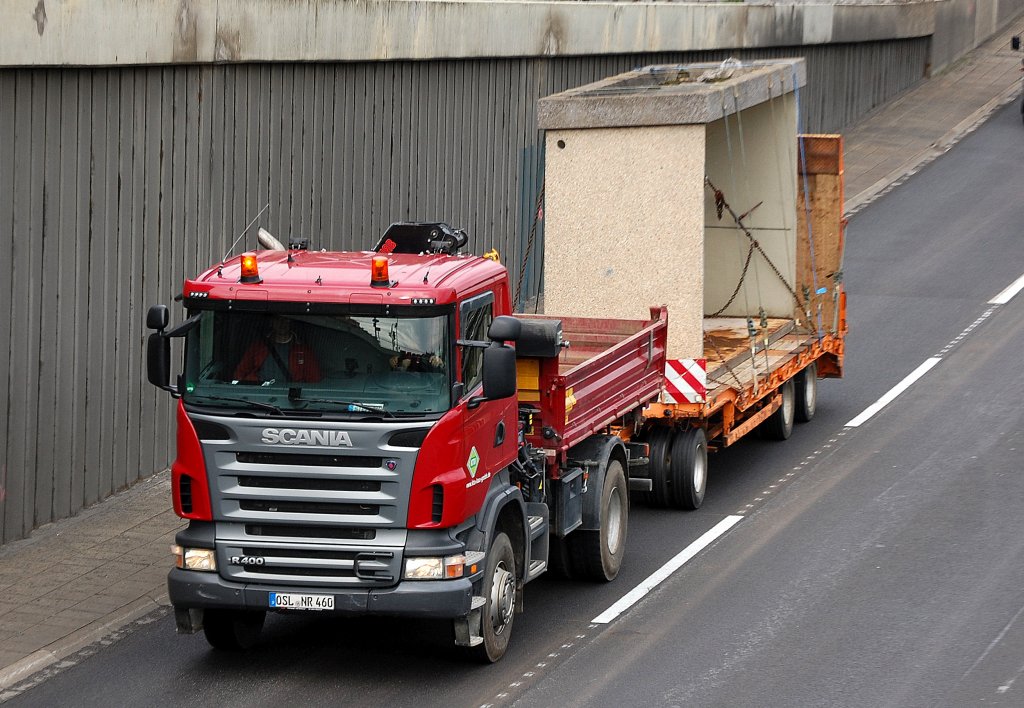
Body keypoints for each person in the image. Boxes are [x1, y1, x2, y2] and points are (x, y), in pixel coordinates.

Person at [234, 316, 322, 383]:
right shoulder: (258, 346)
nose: (282, 323)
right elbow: (240, 373)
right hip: (260, 394)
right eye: (278, 319)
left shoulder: (303, 350)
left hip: (289, 397)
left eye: (286, 319)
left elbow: (314, 380)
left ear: (291, 322)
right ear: (271, 322)